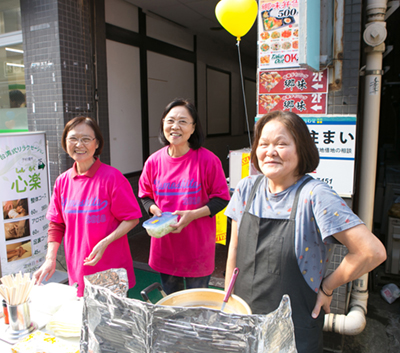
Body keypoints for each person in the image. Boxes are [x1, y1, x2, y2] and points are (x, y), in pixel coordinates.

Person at [224, 110, 386, 353]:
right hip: (245, 319)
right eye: (264, 143)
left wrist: (328, 287)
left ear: (302, 149)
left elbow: (371, 252)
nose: (270, 151)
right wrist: (227, 304)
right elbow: (234, 250)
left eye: (281, 143)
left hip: (294, 329)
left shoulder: (316, 195)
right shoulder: (247, 188)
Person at [33, 116, 142, 297]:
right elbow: (56, 224)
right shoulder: (62, 182)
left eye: (86, 139)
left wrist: (105, 242)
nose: (79, 144)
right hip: (77, 269)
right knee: (82, 320)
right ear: (65, 143)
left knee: (111, 323)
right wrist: (50, 258)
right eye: (73, 139)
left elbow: (131, 218)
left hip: (111, 270)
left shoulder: (112, 178)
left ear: (97, 143)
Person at [138, 98, 230, 295]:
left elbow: (221, 199)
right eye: (170, 120)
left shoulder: (208, 161)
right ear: (163, 123)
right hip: (165, 247)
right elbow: (145, 197)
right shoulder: (153, 162)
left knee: (196, 308)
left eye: (182, 121)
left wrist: (192, 215)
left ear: (193, 127)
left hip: (197, 249)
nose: (175, 126)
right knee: (172, 305)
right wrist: (155, 211)